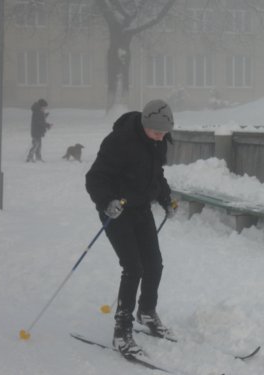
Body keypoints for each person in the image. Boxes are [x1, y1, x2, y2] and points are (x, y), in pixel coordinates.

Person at [85, 99, 178, 360]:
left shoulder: (157, 141)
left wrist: (166, 199)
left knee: (154, 264)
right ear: (145, 124)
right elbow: (94, 177)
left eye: (164, 132)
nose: (161, 137)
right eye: (157, 132)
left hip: (141, 209)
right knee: (133, 267)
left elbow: (156, 175)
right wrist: (106, 202)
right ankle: (121, 332)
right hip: (117, 210)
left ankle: (146, 311)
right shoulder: (119, 142)